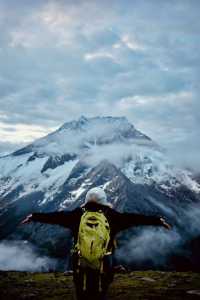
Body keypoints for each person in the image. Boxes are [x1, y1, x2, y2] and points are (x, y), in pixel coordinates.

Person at [21, 187, 171, 300]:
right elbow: (136, 219)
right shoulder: (113, 216)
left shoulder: (76, 215)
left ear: (86, 201)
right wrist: (157, 221)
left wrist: (34, 216)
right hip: (104, 260)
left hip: (80, 261)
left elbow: (55, 217)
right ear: (104, 201)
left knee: (81, 291)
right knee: (101, 291)